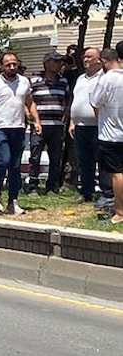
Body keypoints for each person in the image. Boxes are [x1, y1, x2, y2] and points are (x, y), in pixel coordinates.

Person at [0, 52, 40, 215]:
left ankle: (13, 201)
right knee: (4, 160)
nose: (12, 67)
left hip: (18, 127)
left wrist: (36, 121)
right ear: (1, 66)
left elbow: (30, 102)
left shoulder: (24, 82)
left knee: (15, 165)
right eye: (8, 64)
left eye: (14, 64)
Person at [70, 47, 109, 205]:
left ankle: (107, 193)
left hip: (98, 126)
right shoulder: (80, 79)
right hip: (80, 126)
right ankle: (87, 192)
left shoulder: (104, 79)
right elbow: (76, 101)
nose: (86, 60)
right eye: (84, 57)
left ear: (99, 60)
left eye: (90, 57)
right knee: (84, 161)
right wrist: (73, 121)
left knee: (103, 161)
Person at [26, 51, 70, 194]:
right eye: (56, 61)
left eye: (60, 62)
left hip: (57, 125)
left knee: (55, 157)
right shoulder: (34, 80)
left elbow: (68, 100)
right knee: (35, 155)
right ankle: (33, 185)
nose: (59, 65)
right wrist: (29, 115)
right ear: (47, 63)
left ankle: (52, 186)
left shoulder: (63, 82)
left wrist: (66, 113)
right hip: (39, 124)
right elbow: (27, 100)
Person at [90, 46, 123, 225]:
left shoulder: (105, 80)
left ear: (103, 61)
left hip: (111, 134)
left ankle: (119, 212)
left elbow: (95, 102)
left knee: (117, 174)